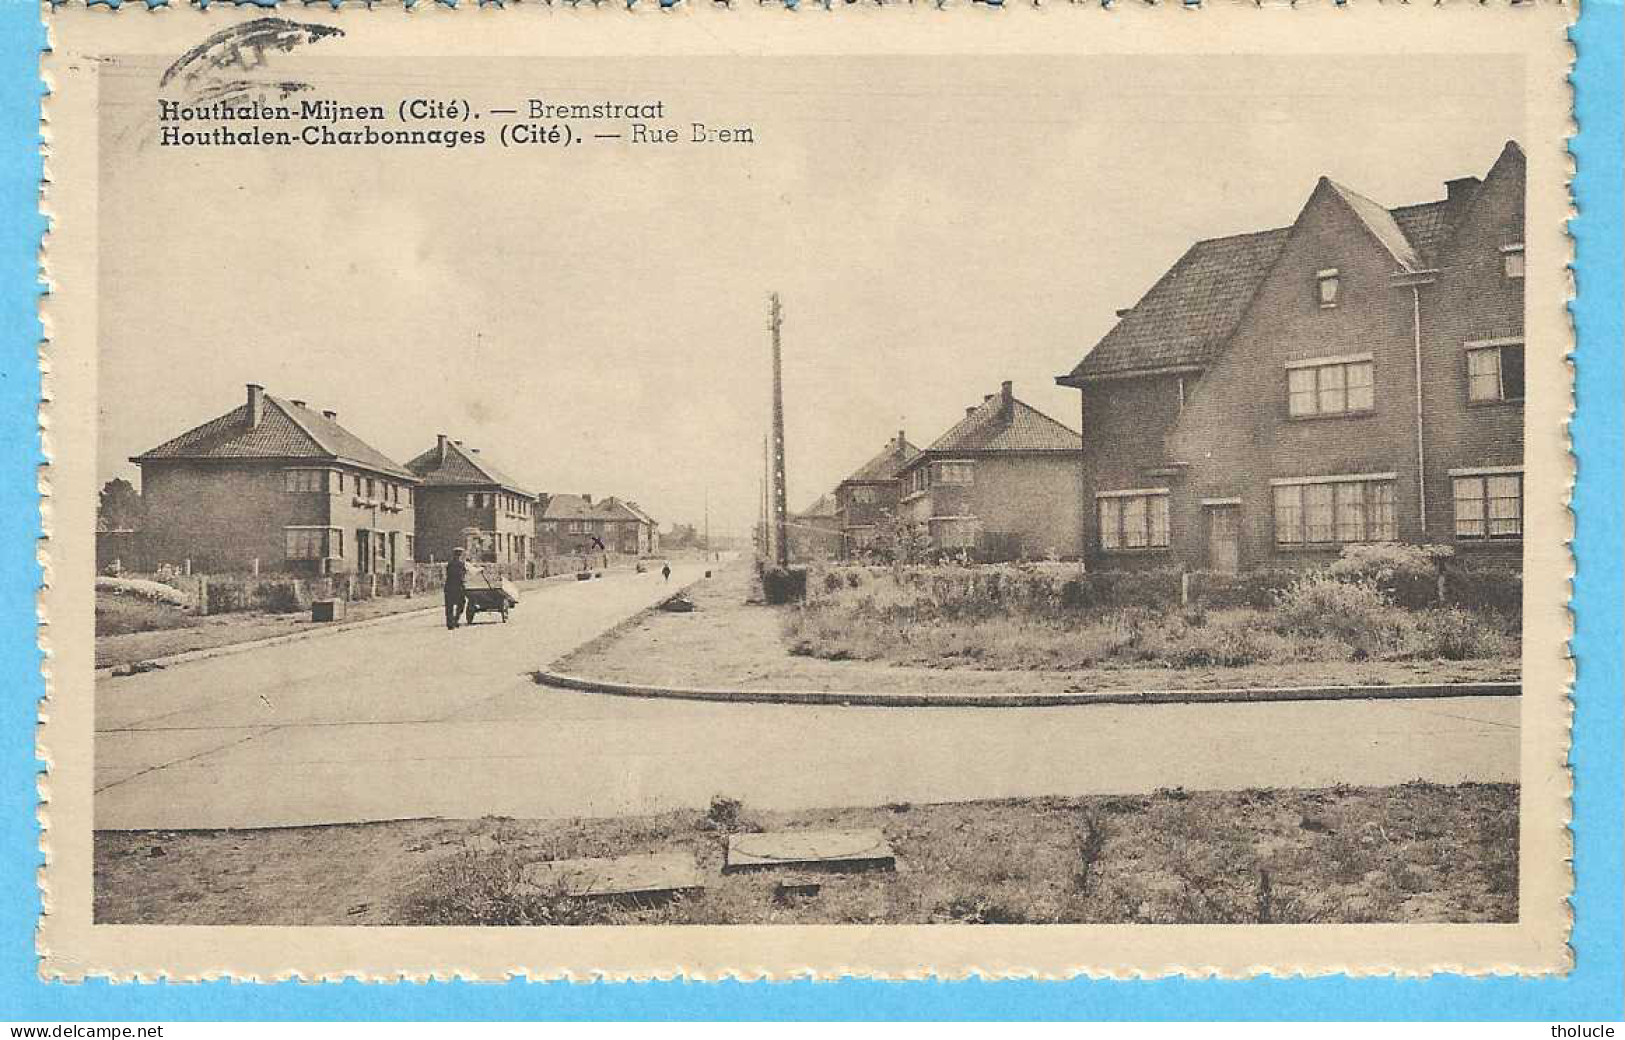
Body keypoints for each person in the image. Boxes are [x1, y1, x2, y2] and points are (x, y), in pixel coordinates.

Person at [445, 547, 469, 630]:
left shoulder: (450, 564)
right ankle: (455, 620)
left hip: (449, 587)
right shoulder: (461, 564)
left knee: (449, 606)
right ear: (460, 555)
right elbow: (463, 575)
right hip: (458, 588)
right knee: (461, 603)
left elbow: (448, 574)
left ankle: (450, 623)